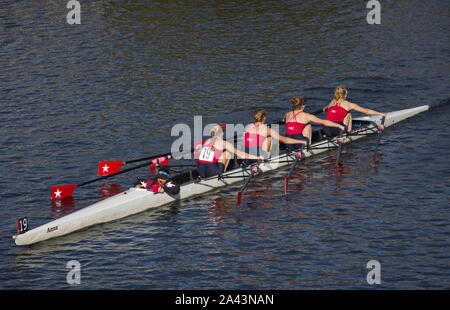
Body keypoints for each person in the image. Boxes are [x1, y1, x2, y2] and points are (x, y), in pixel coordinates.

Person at [243, 109, 308, 165]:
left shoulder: (247, 127)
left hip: (246, 159)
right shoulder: (266, 129)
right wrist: (301, 141)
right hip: (257, 159)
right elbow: (285, 140)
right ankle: (268, 158)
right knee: (269, 137)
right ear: (264, 118)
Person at [196, 124, 263, 178]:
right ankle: (222, 175)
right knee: (227, 152)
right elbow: (241, 154)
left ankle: (214, 171)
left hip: (200, 172)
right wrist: (257, 157)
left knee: (215, 155)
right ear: (222, 133)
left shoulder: (206, 142)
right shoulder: (224, 143)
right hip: (212, 173)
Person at [322, 86, 386, 137]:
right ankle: (348, 132)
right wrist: (380, 113)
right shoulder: (348, 104)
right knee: (348, 114)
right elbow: (366, 111)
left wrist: (325, 108)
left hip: (326, 129)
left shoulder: (332, 102)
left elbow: (326, 108)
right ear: (345, 95)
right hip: (335, 130)